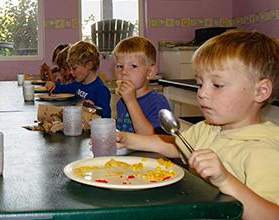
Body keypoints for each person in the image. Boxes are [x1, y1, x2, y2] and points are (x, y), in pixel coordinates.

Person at [117, 31, 279, 219]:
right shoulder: (208, 128)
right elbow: (172, 145)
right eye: (200, 83)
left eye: (217, 85)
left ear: (261, 91)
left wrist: (226, 180)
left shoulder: (264, 151)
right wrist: (127, 139)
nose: (201, 93)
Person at [113, 36, 170, 134]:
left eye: (133, 66)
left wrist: (131, 101)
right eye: (120, 66)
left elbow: (150, 138)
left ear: (150, 73)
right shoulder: (121, 102)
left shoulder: (157, 102)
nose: (124, 72)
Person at [45, 41, 111, 118]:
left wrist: (93, 108)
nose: (71, 72)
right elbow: (64, 88)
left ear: (89, 65)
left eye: (74, 68)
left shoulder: (100, 90)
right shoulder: (77, 84)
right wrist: (54, 86)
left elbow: (106, 118)